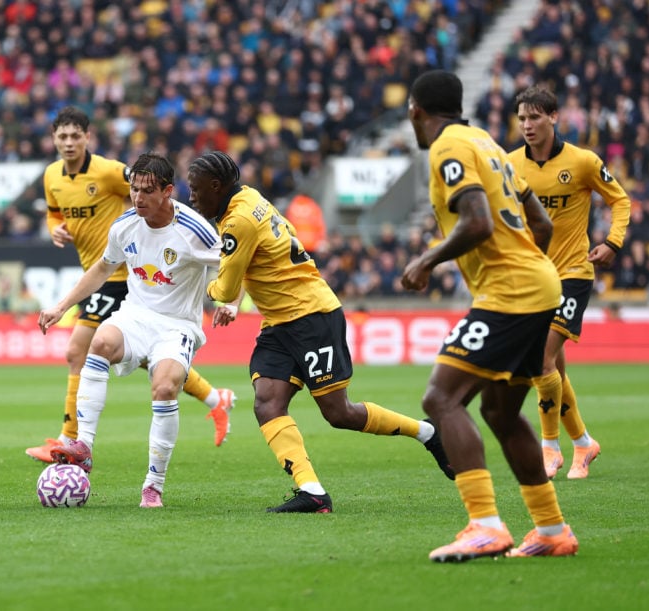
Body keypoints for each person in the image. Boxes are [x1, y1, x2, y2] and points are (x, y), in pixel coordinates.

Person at [188, 150, 454, 515]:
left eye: (195, 188)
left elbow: (224, 284)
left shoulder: (237, 222)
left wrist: (211, 288)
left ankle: (427, 433)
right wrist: (236, 298)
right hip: (280, 322)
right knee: (267, 400)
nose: (191, 196)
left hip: (312, 316)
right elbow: (262, 257)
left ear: (216, 187)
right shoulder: (250, 197)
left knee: (339, 413)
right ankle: (311, 492)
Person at [402, 70, 577, 560]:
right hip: (536, 286)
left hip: (512, 293)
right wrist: (528, 266)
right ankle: (551, 529)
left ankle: (484, 524)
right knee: (501, 411)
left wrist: (426, 259)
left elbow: (476, 221)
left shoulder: (447, 148)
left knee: (441, 398)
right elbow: (540, 223)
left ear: (417, 110)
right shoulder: (488, 143)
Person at [26, 106, 236, 462]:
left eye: (76, 135)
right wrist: (53, 228)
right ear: (53, 139)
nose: (69, 142)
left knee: (80, 349)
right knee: (148, 359)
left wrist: (160, 230)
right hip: (99, 270)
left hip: (127, 275)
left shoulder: (108, 171)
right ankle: (217, 399)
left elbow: (150, 190)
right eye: (62, 136)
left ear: (88, 137)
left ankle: (70, 437)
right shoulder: (51, 176)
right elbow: (53, 212)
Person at [38, 153, 222, 508]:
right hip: (136, 315)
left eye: (147, 191)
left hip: (178, 324)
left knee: (165, 387)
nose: (137, 197)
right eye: (134, 189)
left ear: (167, 191)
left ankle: (153, 484)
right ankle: (84, 446)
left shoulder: (195, 230)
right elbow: (100, 270)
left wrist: (229, 301)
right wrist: (61, 306)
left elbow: (233, 263)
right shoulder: (124, 225)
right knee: (100, 341)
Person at [510, 85, 631, 480]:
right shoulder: (510, 164)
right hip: (533, 280)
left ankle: (549, 449)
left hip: (573, 274)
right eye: (522, 118)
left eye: (534, 117)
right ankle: (583, 444)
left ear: (553, 117)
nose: (527, 125)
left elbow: (621, 200)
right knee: (553, 373)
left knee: (539, 360)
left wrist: (613, 242)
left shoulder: (582, 162)